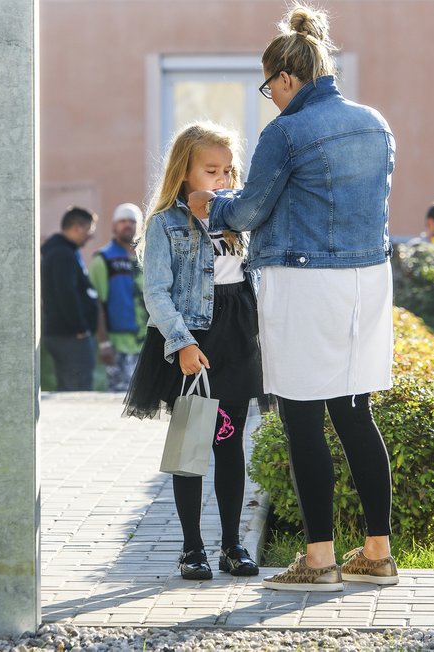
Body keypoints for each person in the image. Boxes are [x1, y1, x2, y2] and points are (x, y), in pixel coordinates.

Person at [188, 4, 399, 591]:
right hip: (369, 279)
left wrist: (212, 208)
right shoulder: (374, 121)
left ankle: (319, 558)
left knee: (303, 416)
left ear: (285, 78)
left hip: (306, 282)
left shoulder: (287, 130)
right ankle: (378, 554)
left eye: (268, 88)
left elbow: (252, 208)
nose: (271, 99)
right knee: (355, 413)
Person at [123, 123, 263, 582]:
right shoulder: (165, 223)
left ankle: (231, 545)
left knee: (230, 444)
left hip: (238, 336)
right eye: (211, 170)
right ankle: (191, 549)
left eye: (228, 170)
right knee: (191, 444)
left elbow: (254, 277)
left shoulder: (240, 220)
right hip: (195, 337)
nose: (222, 179)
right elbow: (157, 293)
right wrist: (181, 342)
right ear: (185, 172)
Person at [88, 203, 148, 392]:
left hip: (149, 343)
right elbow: (96, 303)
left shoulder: (149, 258)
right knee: (118, 401)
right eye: (122, 221)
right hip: (118, 344)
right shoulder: (103, 259)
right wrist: (104, 343)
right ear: (114, 226)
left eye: (132, 221)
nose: (128, 225)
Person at [41, 206, 99, 391]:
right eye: (89, 230)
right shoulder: (62, 254)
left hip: (68, 335)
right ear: (77, 228)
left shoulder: (64, 251)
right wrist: (79, 327)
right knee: (76, 392)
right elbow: (66, 293)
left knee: (72, 388)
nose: (90, 236)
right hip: (70, 336)